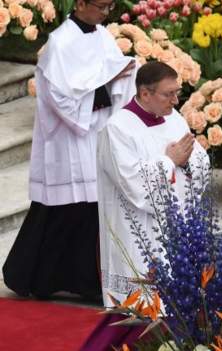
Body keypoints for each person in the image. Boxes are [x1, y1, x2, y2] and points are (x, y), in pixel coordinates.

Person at [2, 0, 136, 300]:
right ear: (80, 4)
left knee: (91, 210)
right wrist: (103, 88)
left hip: (96, 132)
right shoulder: (60, 44)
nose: (105, 13)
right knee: (65, 211)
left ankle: (87, 282)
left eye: (110, 6)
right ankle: (33, 277)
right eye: (101, 6)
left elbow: (115, 75)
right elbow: (60, 99)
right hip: (69, 139)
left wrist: (122, 76)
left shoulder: (102, 36)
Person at [79, 61, 211, 350]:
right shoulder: (117, 129)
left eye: (177, 93)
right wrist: (170, 161)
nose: (176, 101)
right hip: (137, 234)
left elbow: (199, 159)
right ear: (145, 93)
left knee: (175, 304)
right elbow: (133, 184)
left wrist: (187, 162)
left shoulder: (174, 119)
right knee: (136, 313)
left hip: (174, 230)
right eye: (169, 94)